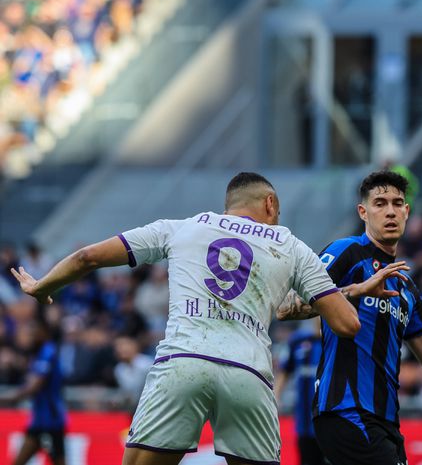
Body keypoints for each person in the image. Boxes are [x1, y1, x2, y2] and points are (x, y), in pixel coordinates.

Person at [11, 172, 366, 465]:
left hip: (183, 363)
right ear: (270, 203)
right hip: (249, 373)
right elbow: (346, 324)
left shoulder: (182, 227)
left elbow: (88, 257)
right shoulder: (291, 245)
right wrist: (353, 291)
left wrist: (44, 286)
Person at [279, 170, 422, 465]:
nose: (389, 211)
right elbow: (286, 307)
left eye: (396, 203)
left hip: (386, 423)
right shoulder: (347, 253)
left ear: (407, 211)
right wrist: (356, 291)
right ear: (363, 212)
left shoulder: (406, 288)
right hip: (346, 413)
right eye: (379, 203)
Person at [3, 317, 67, 465]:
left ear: (44, 332)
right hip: (39, 420)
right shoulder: (38, 353)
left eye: (34, 331)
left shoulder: (48, 352)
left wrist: (9, 399)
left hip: (51, 421)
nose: (31, 334)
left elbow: (34, 386)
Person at [274, 320, 325, 465]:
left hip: (331, 423)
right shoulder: (298, 340)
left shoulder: (339, 339)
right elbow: (284, 370)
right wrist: (276, 397)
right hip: (304, 423)